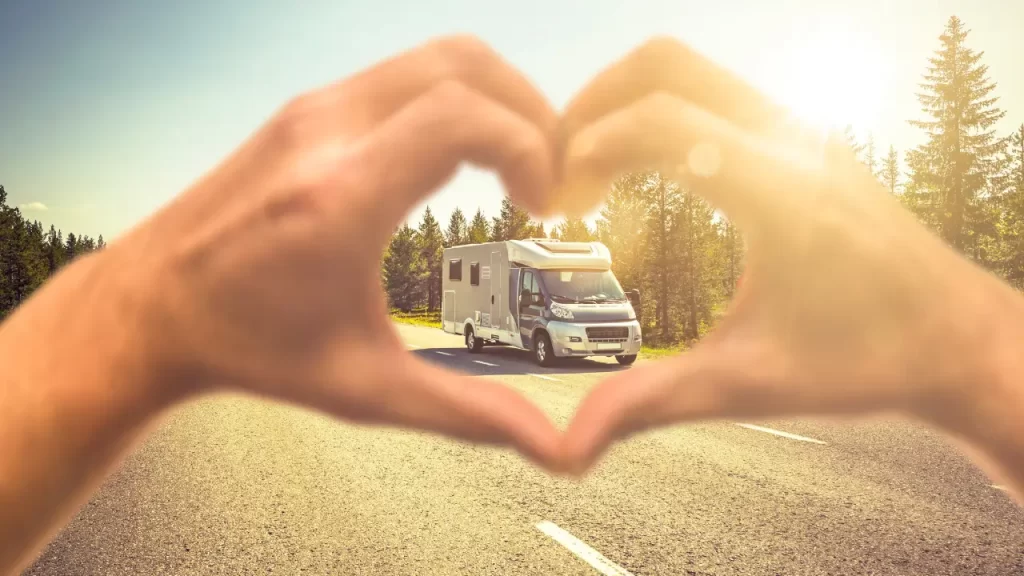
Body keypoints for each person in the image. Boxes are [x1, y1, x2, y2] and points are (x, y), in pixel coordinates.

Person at [1, 35, 1021, 575]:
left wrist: (115, 321)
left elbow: (603, 321)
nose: (600, 321)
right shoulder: (520, 297)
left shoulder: (587, 298)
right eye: (571, 306)